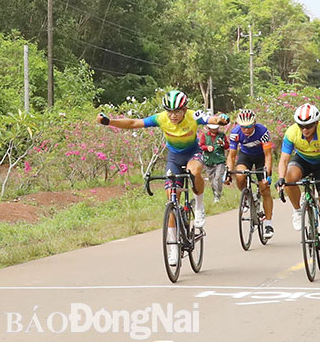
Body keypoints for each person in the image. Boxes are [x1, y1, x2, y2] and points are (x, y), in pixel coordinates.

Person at [96, 90, 229, 266]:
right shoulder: (161, 118)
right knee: (171, 199)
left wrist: (221, 120)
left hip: (192, 153)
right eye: (170, 112)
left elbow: (211, 119)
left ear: (184, 109)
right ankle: (173, 247)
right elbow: (134, 122)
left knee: (194, 171)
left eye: (177, 111)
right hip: (174, 157)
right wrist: (109, 122)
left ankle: (199, 206)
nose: (173, 115)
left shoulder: (193, 115)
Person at [276, 104, 320, 262]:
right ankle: (298, 210)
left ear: (316, 123)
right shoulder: (292, 133)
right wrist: (280, 178)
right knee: (290, 178)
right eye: (301, 126)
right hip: (303, 160)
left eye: (309, 126)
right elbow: (284, 159)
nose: (305, 130)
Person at [225, 109, 275, 239]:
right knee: (240, 175)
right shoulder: (235, 133)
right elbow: (231, 155)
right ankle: (248, 197)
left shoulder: (262, 131)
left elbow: (268, 156)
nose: (246, 130)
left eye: (249, 127)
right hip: (245, 155)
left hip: (261, 157)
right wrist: (228, 172)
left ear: (254, 123)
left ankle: (268, 224)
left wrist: (267, 175)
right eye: (243, 127)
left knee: (265, 189)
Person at [199, 123, 229, 203]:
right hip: (209, 160)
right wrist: (206, 147)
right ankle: (215, 193)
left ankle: (217, 195)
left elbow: (227, 146)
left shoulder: (222, 135)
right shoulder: (204, 136)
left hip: (219, 160)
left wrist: (222, 144)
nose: (215, 130)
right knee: (212, 180)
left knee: (218, 177)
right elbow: (201, 146)